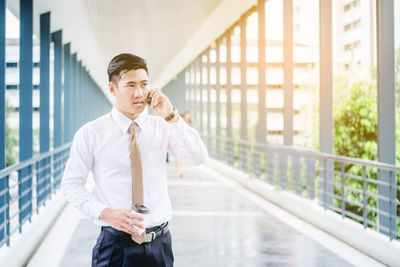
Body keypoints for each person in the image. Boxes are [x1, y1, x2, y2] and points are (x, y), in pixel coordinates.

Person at [61, 53, 208, 267]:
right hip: (115, 247)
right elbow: (71, 185)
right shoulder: (91, 133)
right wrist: (105, 213)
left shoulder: (162, 125)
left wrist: (171, 116)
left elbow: (198, 157)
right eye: (130, 85)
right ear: (112, 89)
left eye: (144, 84)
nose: (139, 93)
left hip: (160, 245)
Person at [175, 111, 193, 178]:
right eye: (187, 115)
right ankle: (178, 171)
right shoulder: (179, 121)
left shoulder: (191, 124)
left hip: (186, 142)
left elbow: (194, 132)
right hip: (178, 140)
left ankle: (180, 171)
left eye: (189, 115)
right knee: (177, 157)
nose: (188, 117)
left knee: (182, 158)